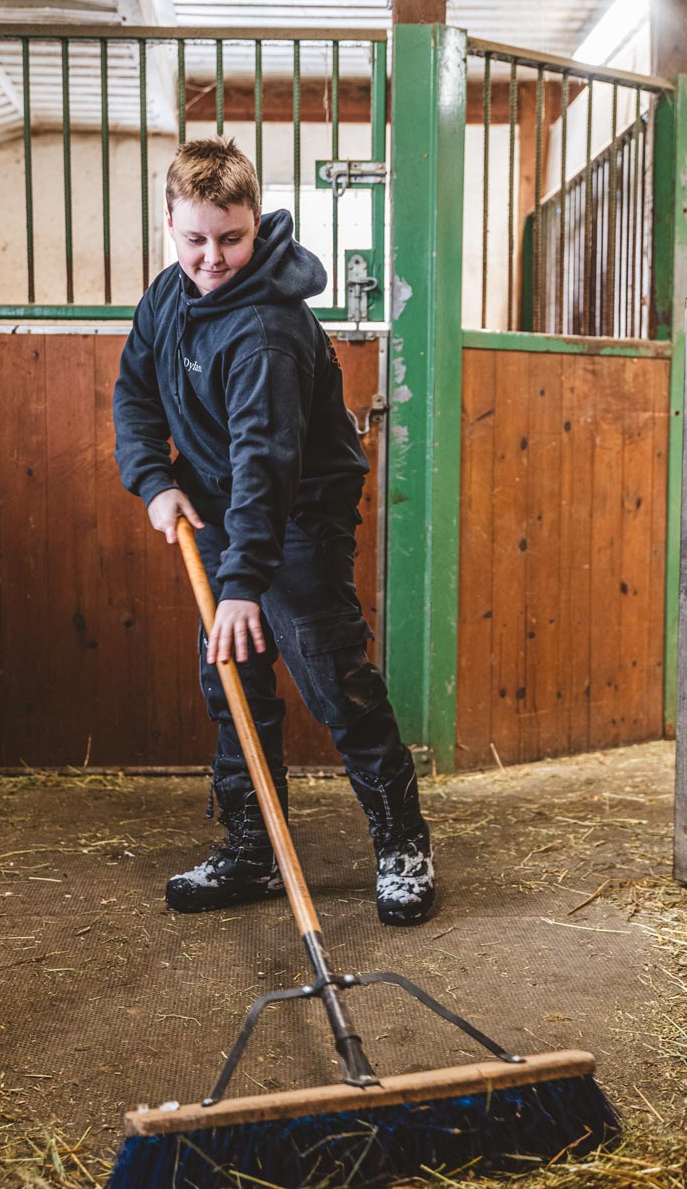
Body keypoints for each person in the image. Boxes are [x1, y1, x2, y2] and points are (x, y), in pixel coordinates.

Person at [113, 136, 434, 926]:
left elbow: (267, 461)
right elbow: (135, 392)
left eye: (231, 238)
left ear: (257, 222)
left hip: (295, 513)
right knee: (231, 677)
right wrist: (154, 480)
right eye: (195, 239)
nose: (212, 258)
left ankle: (403, 845)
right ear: (169, 223)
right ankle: (252, 851)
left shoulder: (267, 331)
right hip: (216, 505)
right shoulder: (167, 295)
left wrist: (244, 583)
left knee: (329, 674)